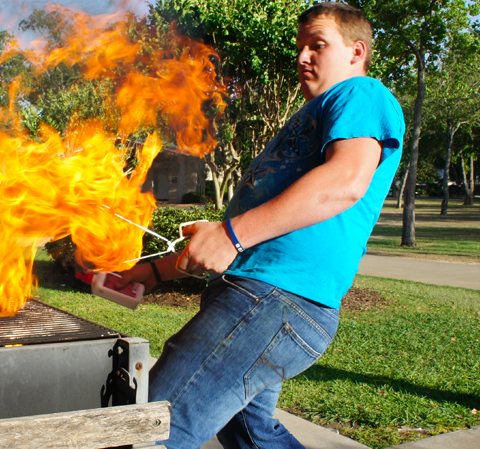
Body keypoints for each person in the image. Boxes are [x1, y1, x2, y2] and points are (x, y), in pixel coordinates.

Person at [116, 3, 405, 448]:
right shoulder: (308, 120)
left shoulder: (361, 95)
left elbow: (346, 182)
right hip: (268, 300)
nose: (303, 56)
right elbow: (239, 241)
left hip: (275, 301)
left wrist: (231, 234)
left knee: (149, 431)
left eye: (318, 45)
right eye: (300, 46)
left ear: (356, 51)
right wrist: (154, 272)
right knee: (254, 436)